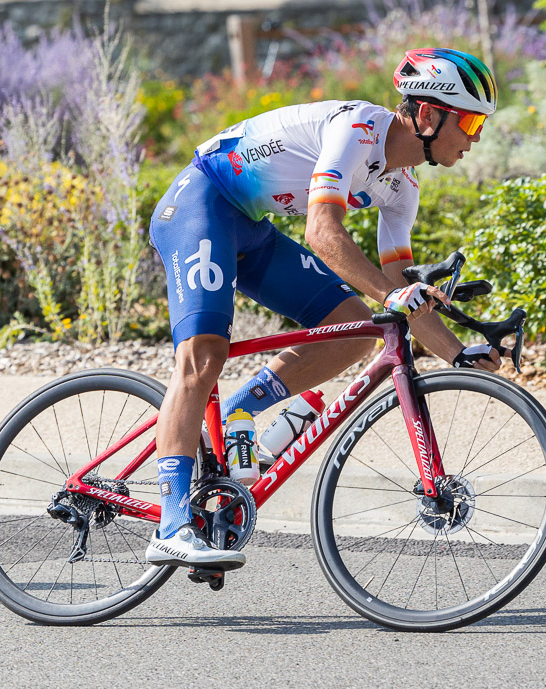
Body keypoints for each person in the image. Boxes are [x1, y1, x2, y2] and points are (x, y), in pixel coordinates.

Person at [144, 48, 503, 569]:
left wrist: (456, 355)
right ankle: (171, 523)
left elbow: (401, 291)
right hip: (203, 202)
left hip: (249, 228)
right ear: (428, 115)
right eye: (469, 122)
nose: (475, 137)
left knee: (357, 331)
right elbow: (322, 232)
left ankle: (238, 410)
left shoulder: (402, 189)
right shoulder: (355, 129)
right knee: (203, 355)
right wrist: (391, 295)